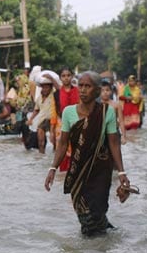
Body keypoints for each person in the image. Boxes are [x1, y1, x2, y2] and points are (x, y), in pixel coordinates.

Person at [44, 71, 131, 236]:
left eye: (88, 86)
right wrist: (53, 168)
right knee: (84, 213)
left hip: (100, 172)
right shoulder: (69, 112)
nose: (83, 90)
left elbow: (113, 143)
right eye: (81, 86)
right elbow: (63, 143)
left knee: (96, 211)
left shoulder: (107, 112)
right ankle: (99, 242)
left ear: (97, 91)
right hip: (78, 171)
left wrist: (121, 172)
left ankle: (93, 252)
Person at [56, 68, 80, 171]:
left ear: (72, 76)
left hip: (77, 122)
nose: (66, 78)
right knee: (63, 148)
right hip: (61, 123)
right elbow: (55, 111)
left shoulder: (78, 91)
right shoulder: (56, 93)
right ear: (60, 78)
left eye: (68, 75)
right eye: (63, 76)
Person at [28, 76, 57, 154]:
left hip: (52, 120)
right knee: (40, 141)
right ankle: (41, 156)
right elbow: (36, 110)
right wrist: (31, 119)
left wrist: (51, 79)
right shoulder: (39, 98)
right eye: (43, 87)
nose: (45, 89)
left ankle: (55, 155)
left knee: (54, 141)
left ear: (51, 88)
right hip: (42, 120)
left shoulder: (54, 95)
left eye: (47, 87)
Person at [101, 79, 126, 144]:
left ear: (111, 91)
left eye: (107, 90)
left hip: (114, 132)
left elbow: (121, 121)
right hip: (101, 133)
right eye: (102, 90)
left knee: (115, 152)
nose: (105, 92)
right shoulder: (96, 105)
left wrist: (123, 136)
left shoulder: (116, 105)